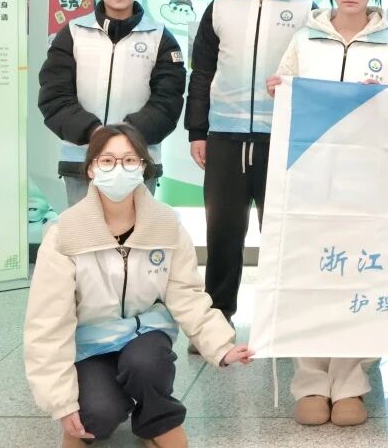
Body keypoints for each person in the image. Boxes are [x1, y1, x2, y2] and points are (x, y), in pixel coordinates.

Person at [25, 123, 254, 448]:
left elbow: (186, 294)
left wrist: (221, 345)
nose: (119, 169)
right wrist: (61, 402)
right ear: (90, 169)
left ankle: (156, 422)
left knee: (146, 365)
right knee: (98, 414)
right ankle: (108, 398)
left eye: (130, 160)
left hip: (145, 335)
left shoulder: (167, 225)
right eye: (107, 161)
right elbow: (47, 323)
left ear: (144, 167)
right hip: (90, 345)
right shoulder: (65, 234)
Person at [266, 0, 388, 427]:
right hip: (309, 178)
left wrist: (384, 103)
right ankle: (310, 381)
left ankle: (350, 382)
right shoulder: (304, 39)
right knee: (310, 275)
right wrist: (279, 89)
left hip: (368, 181)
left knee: (359, 275)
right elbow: (285, 92)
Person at [185, 0, 312, 322]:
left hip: (283, 136)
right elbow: (201, 72)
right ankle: (218, 316)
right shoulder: (221, 6)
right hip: (225, 135)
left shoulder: (307, 9)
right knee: (222, 232)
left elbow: (313, 72)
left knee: (282, 233)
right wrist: (197, 131)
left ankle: (281, 320)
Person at [38, 0, 185, 207]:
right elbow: (54, 96)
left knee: (137, 233)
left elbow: (168, 102)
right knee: (85, 232)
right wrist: (93, 132)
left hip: (138, 161)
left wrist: (125, 135)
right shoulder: (73, 33)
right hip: (81, 161)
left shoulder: (160, 37)